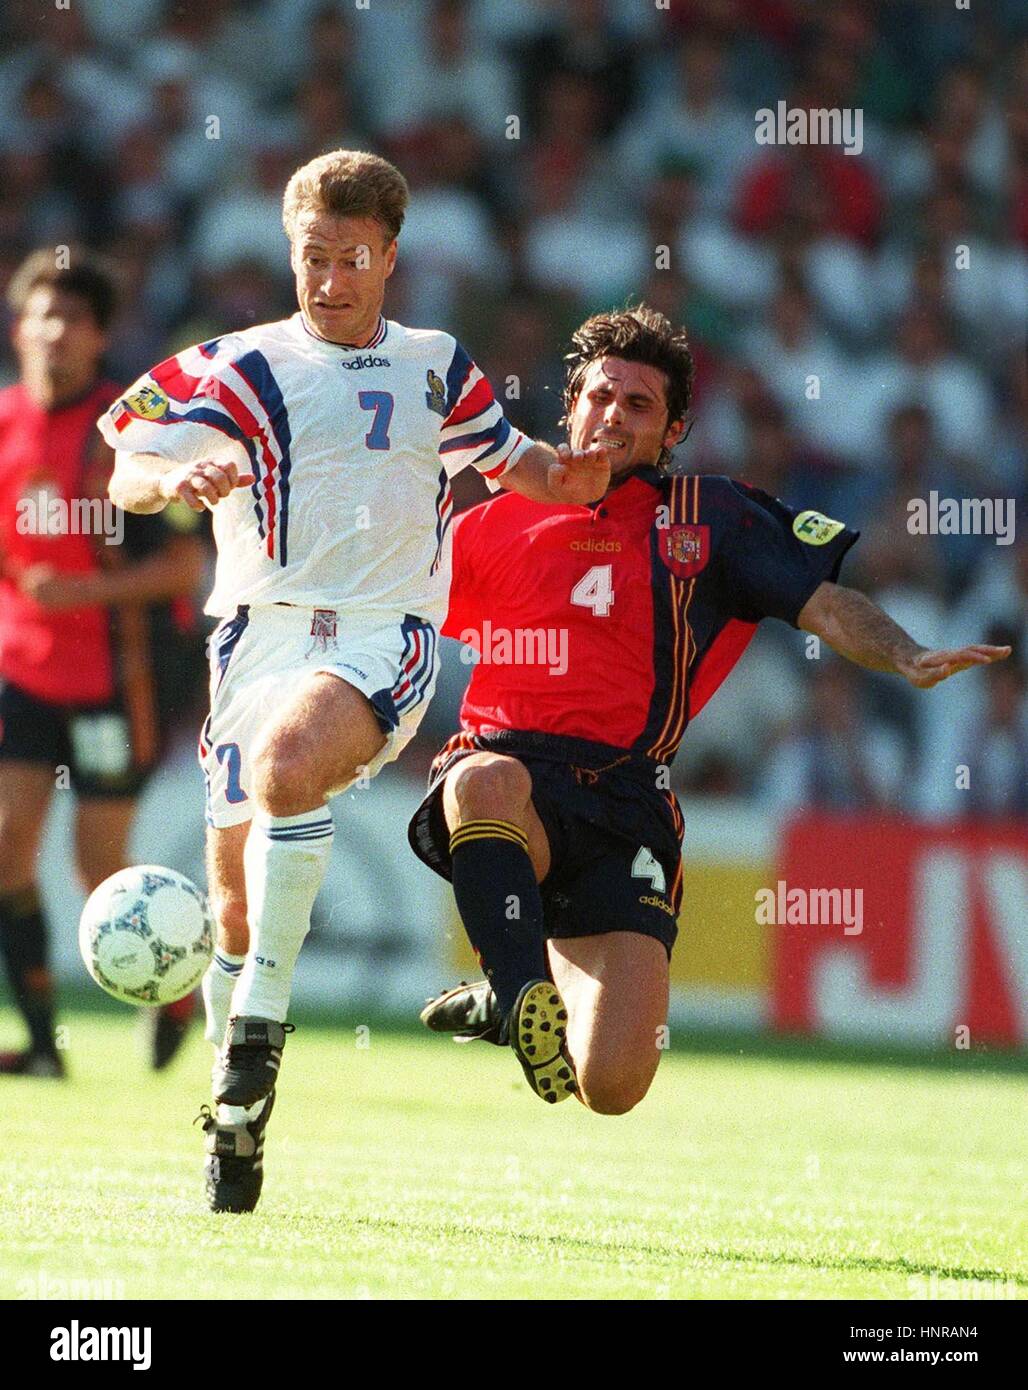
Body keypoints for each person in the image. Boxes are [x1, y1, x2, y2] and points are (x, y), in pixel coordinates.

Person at [101, 149, 613, 1213]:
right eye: (312, 256)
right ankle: (234, 1125)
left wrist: (565, 479)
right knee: (233, 916)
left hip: (384, 636)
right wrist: (173, 476)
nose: (329, 280)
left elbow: (510, 459)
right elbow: (126, 469)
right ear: (289, 251)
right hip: (254, 641)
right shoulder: (237, 364)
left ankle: (259, 1038)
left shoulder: (437, 364)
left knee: (290, 768)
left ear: (390, 257)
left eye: (352, 258)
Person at [411, 305, 1011, 1113]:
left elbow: (826, 604)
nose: (613, 415)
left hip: (630, 799)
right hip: (512, 776)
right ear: (571, 407)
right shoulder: (492, 522)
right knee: (482, 780)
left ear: (674, 430)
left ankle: (508, 986)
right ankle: (517, 986)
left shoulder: (712, 516)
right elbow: (389, 616)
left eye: (638, 404)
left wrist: (903, 652)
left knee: (611, 1087)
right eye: (599, 396)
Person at [0, 249, 205, 1078]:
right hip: (23, 673)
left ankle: (178, 991)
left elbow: (185, 568)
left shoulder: (129, 437)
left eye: (73, 319)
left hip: (119, 683)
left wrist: (82, 592)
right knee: (5, 852)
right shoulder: (4, 423)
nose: (55, 332)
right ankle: (43, 1047)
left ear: (100, 337)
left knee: (96, 867)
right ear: (20, 328)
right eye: (43, 315)